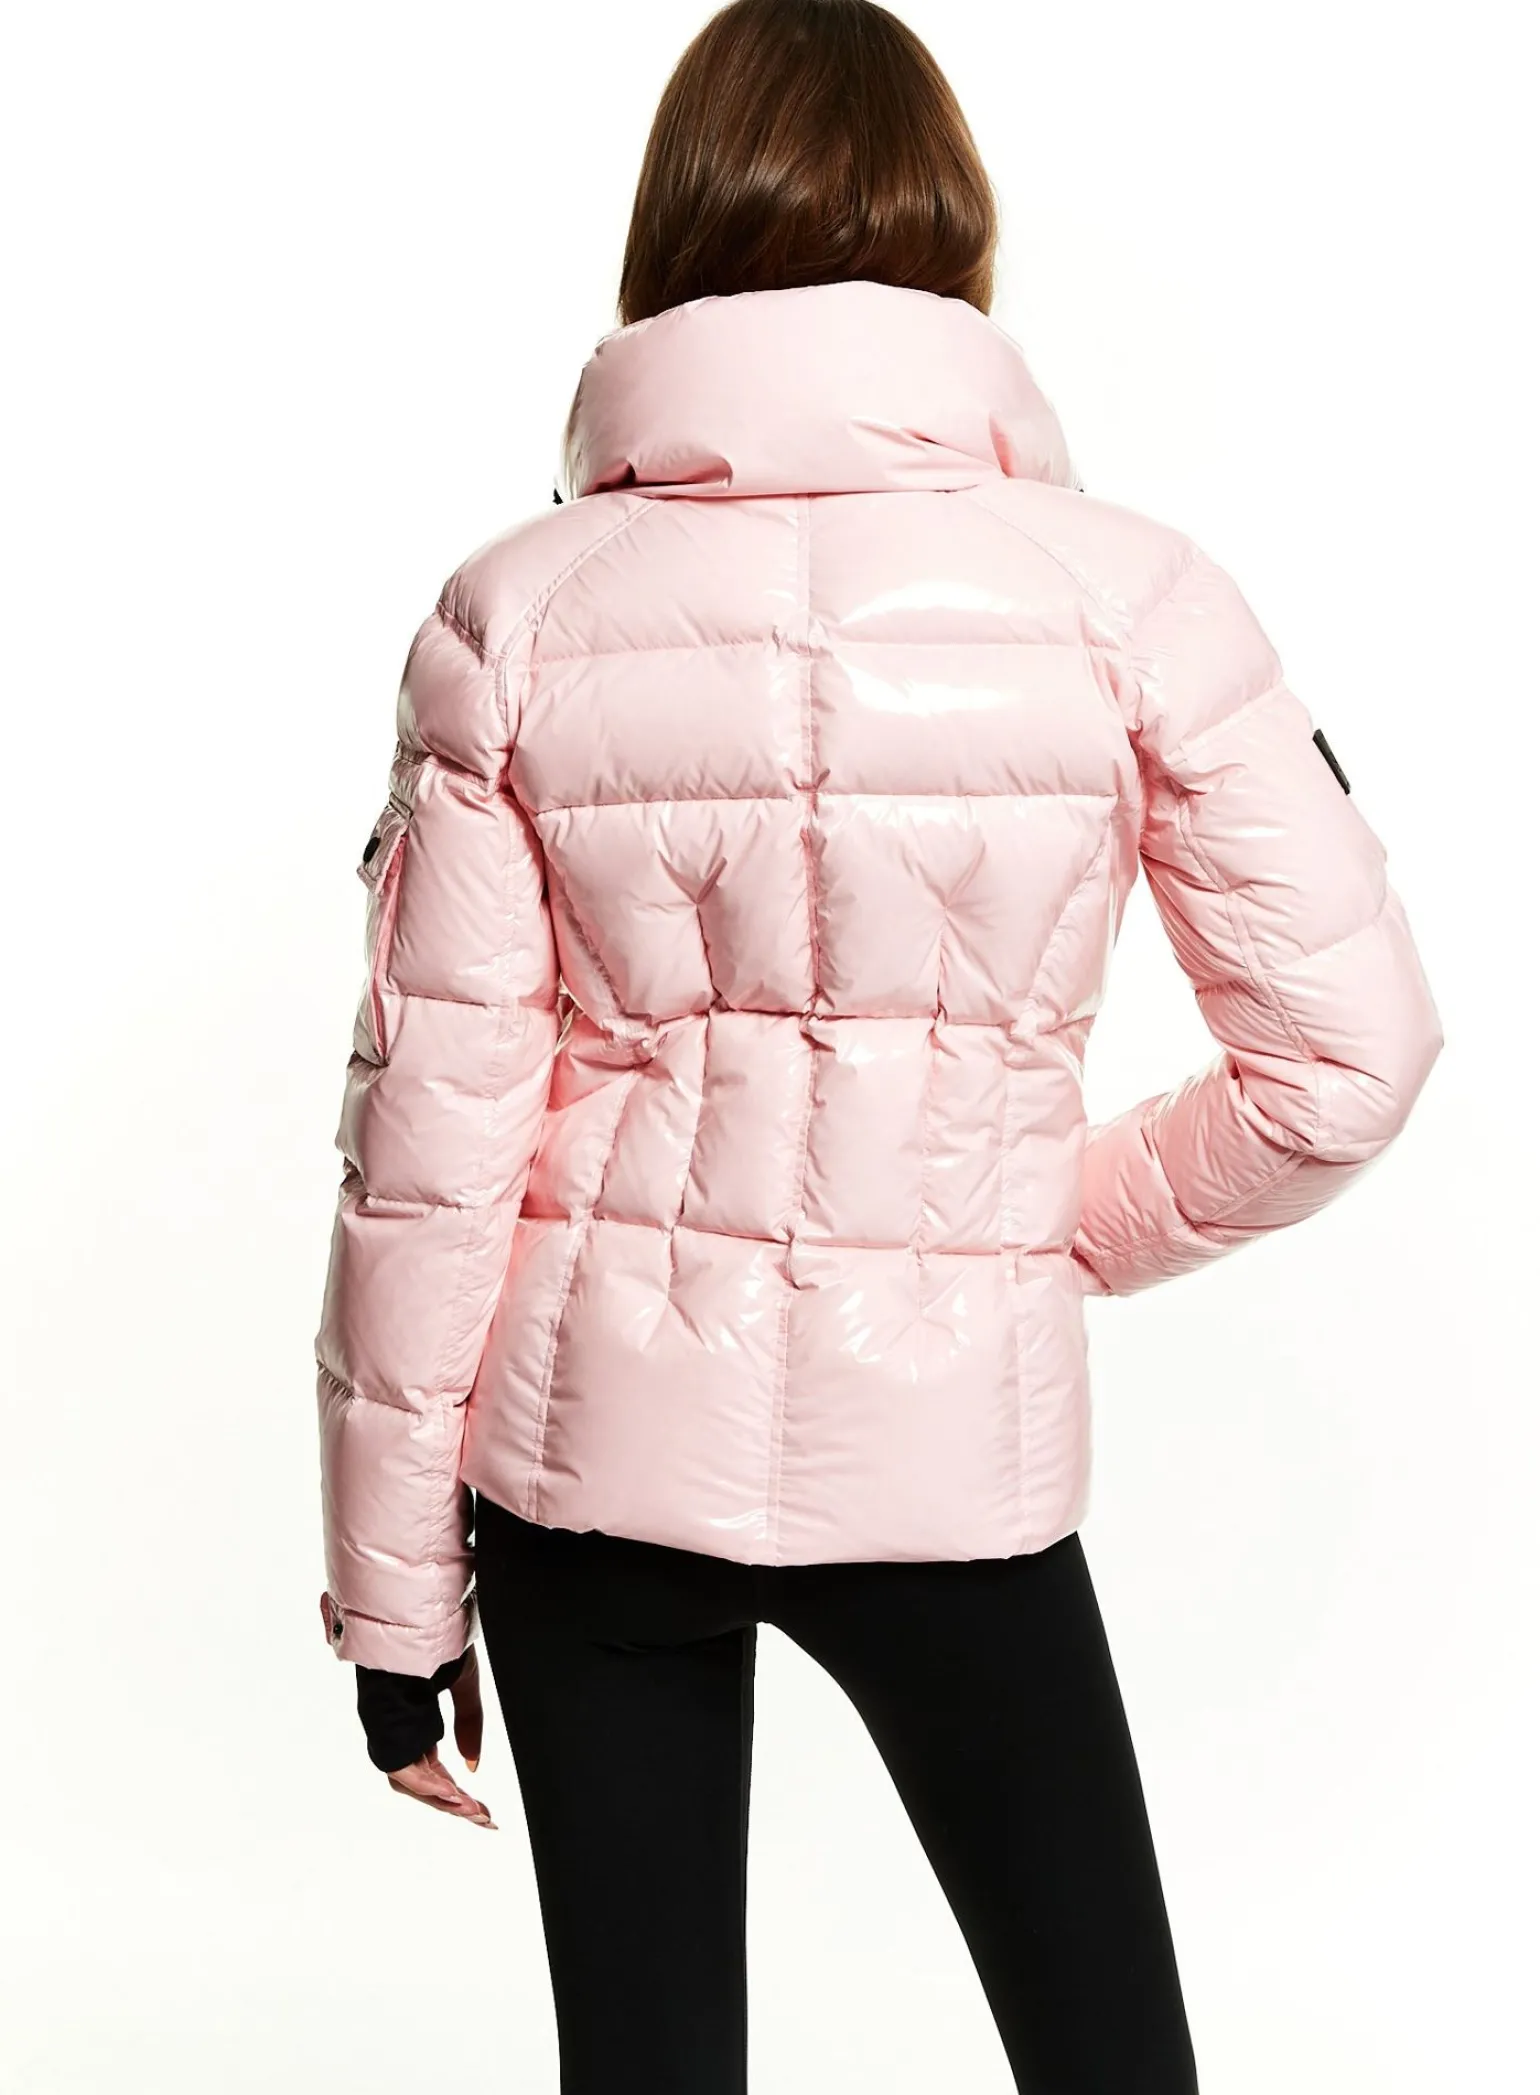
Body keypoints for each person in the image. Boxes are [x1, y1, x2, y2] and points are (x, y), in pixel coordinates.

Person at [312, 2, 1442, 2087]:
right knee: (1109, 2055)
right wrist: (1035, 1224)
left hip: (586, 1477)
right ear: (951, 228)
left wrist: (393, 1610)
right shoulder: (1134, 600)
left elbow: (433, 1144)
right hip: (950, 1461)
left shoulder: (515, 612)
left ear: (672, 226)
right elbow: (1348, 1057)